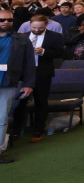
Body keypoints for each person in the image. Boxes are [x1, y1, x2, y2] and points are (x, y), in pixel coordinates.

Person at [12, 13, 64, 144]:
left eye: (40, 28)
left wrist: (44, 52)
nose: (36, 30)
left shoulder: (55, 36)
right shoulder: (22, 36)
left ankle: (38, 131)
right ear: (30, 25)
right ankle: (16, 131)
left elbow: (61, 53)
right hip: (24, 74)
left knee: (41, 102)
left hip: (42, 73)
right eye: (34, 27)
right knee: (19, 103)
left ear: (46, 25)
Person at [0, 9, 37, 164]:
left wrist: (28, 84)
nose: (5, 22)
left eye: (9, 20)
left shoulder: (22, 39)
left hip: (8, 82)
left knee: (2, 118)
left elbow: (29, 63)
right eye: (2, 20)